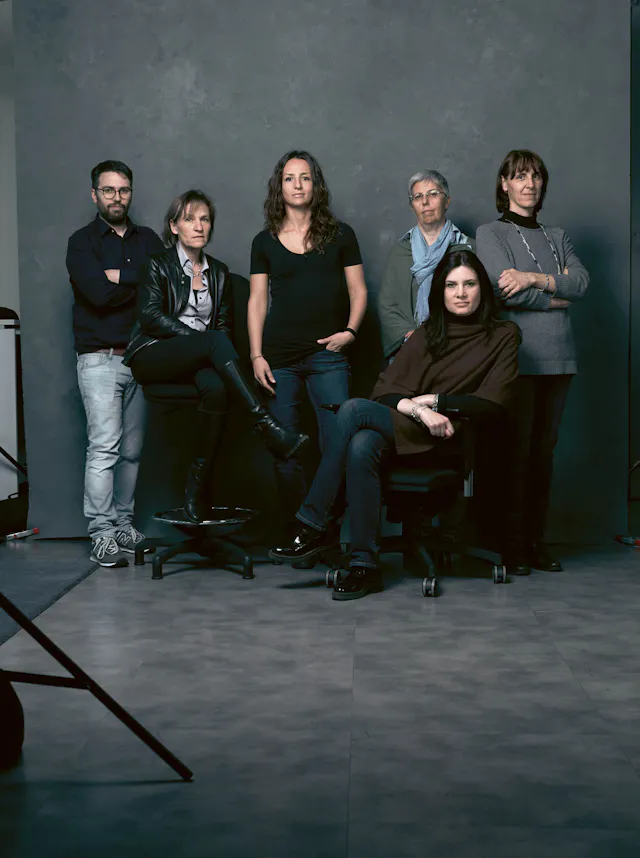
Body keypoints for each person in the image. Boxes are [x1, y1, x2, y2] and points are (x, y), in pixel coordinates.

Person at [270, 250, 520, 600]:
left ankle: (314, 523)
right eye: (451, 285)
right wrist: (418, 412)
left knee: (354, 412)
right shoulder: (426, 335)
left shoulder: (504, 335)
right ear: (440, 292)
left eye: (469, 284)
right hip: (411, 430)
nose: (460, 293)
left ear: (482, 290)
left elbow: (494, 405)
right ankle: (364, 566)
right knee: (361, 443)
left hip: (452, 439)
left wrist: (435, 402)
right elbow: (384, 393)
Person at [123, 189, 308, 523]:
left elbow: (221, 328)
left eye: (205, 219)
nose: (199, 226)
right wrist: (201, 341)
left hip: (200, 357)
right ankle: (265, 425)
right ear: (174, 226)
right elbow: (150, 316)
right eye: (190, 219)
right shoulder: (157, 264)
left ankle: (196, 491)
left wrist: (207, 345)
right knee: (213, 343)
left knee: (218, 389)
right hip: (154, 353)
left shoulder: (219, 272)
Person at [476, 149, 589, 575]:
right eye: (519, 176)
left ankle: (536, 542)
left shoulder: (558, 234)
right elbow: (506, 292)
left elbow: (581, 282)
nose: (530, 184)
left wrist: (535, 278)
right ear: (504, 184)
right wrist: (555, 297)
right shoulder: (491, 234)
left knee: (544, 455)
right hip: (518, 358)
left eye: (536, 176)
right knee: (515, 454)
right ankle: (512, 546)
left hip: (561, 360)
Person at [248, 150, 368, 527]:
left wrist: (350, 332)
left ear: (316, 185)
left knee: (338, 445)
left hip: (327, 357)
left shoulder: (341, 235)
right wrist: (255, 355)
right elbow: (256, 301)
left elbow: (359, 291)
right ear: (279, 186)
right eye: (289, 178)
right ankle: (298, 530)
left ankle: (331, 529)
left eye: (304, 177)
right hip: (279, 359)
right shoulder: (263, 242)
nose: (297, 185)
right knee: (286, 449)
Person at [67, 160, 164, 567]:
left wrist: (120, 278)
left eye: (123, 190)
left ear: (130, 193)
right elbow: (97, 296)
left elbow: (165, 289)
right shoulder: (81, 242)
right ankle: (102, 533)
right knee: (104, 450)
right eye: (108, 190)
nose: (116, 197)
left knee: (133, 452)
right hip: (100, 360)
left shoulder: (148, 238)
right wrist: (138, 283)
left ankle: (123, 524)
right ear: (95, 195)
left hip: (142, 358)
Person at [378, 170, 473, 361]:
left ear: (447, 201)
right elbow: (387, 305)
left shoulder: (468, 249)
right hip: (410, 346)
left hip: (457, 346)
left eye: (433, 194)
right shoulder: (400, 252)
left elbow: (482, 303)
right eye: (418, 197)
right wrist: (413, 337)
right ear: (412, 206)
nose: (425, 202)